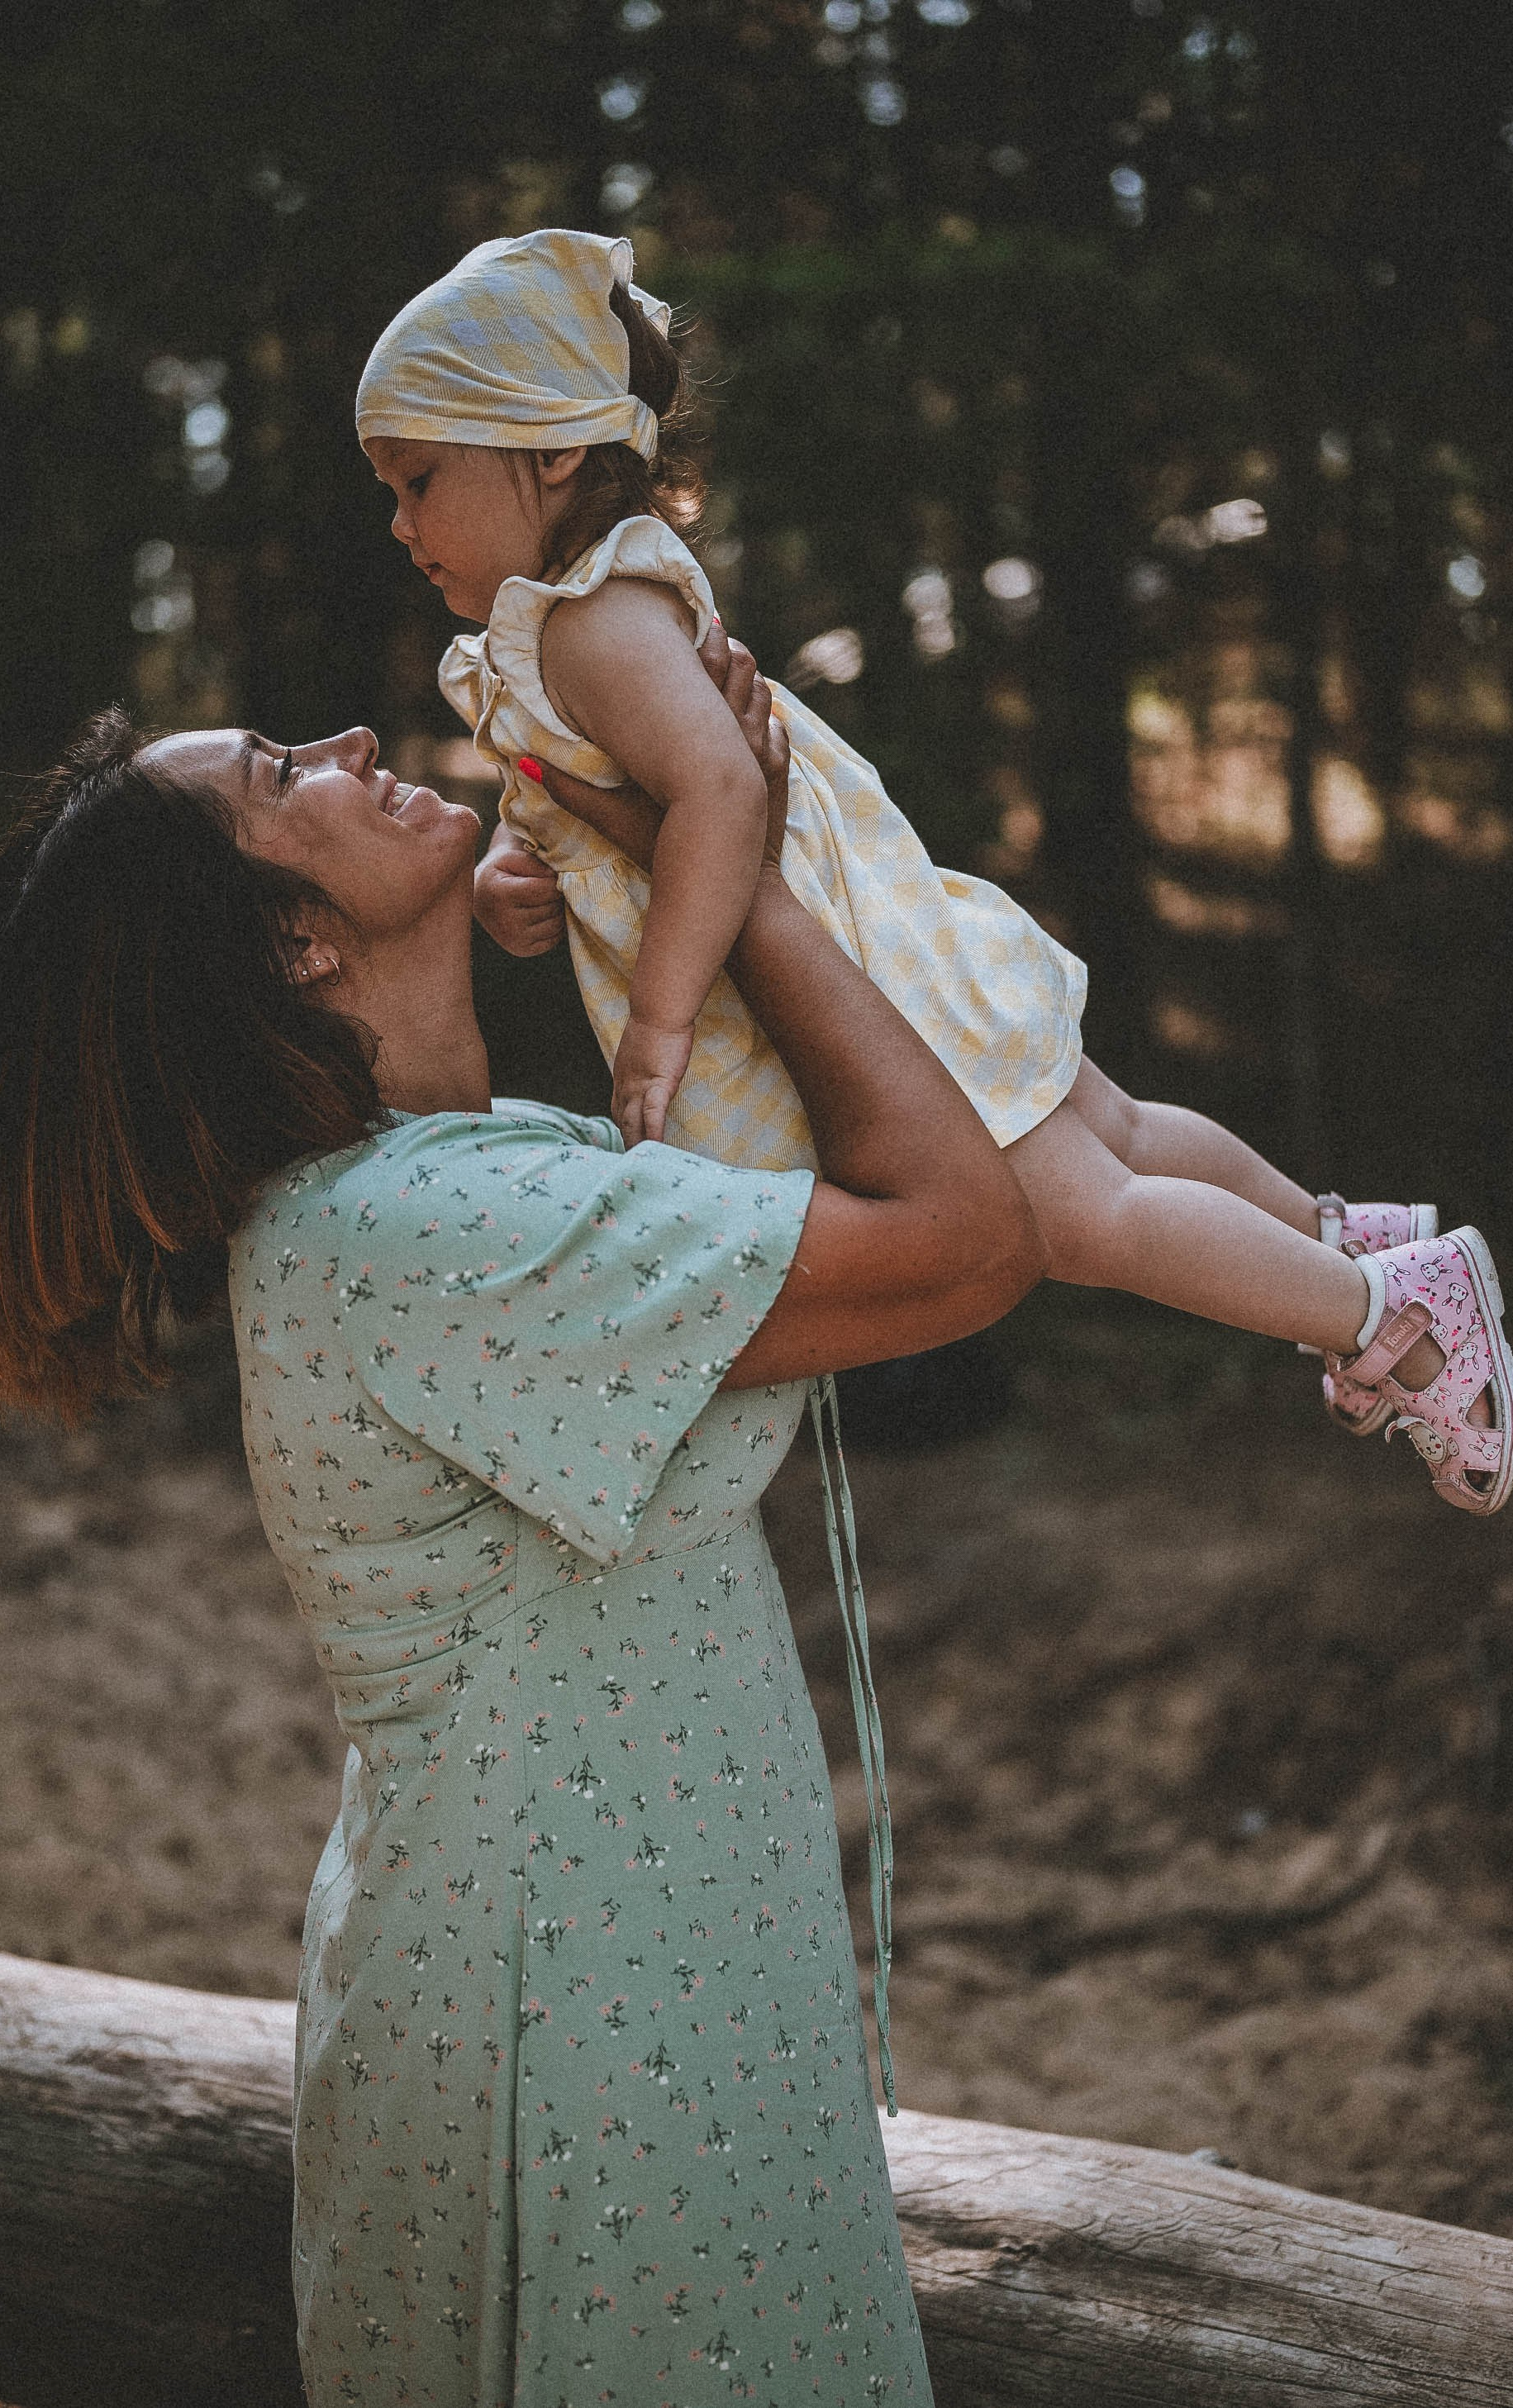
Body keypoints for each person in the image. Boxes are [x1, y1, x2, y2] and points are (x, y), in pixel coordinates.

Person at [0, 639, 1042, 2404]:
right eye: (287, 772)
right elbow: (965, 1238)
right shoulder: (423, 1235)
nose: (352, 737)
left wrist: (695, 843)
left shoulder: (469, 1167)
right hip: (588, 2024)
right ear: (293, 941)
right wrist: (721, 866)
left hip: (614, 1968)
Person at [355, 226, 1511, 1516]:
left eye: (418, 481)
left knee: (1088, 1217)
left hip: (859, 982)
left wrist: (661, 1020)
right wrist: (526, 874)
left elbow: (722, 790)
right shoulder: (570, 626)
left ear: (552, 450)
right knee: (1112, 1128)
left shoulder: (588, 629)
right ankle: (1335, 1233)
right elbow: (600, 803)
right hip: (888, 935)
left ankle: (1382, 1314)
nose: (400, 525)